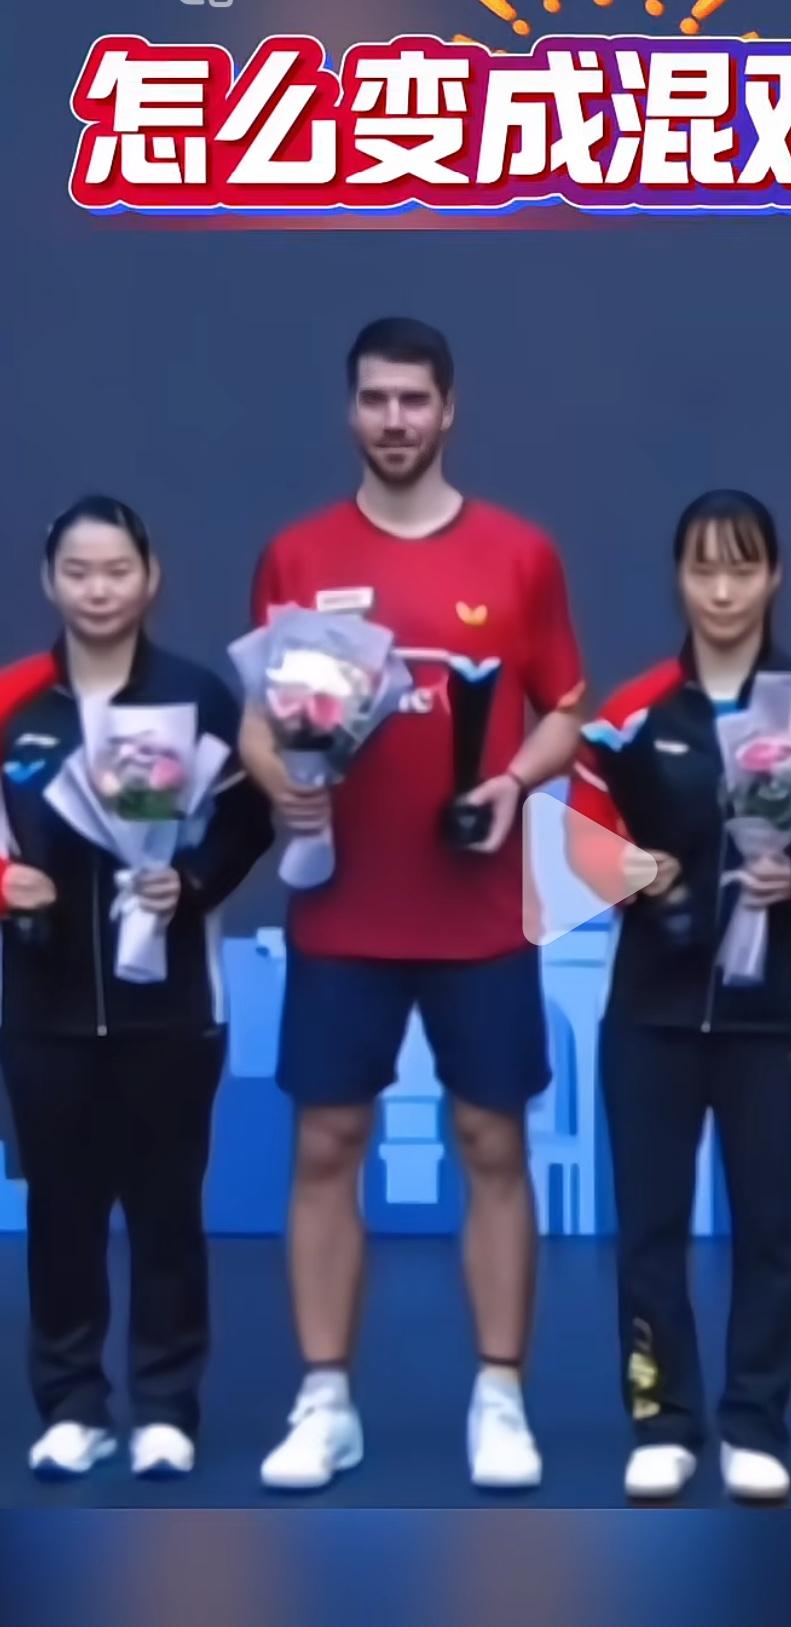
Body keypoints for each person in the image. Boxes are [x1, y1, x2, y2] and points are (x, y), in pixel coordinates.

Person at [244, 317, 586, 1493]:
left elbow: (566, 708)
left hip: (476, 909)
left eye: (415, 400)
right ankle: (325, 1399)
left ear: (449, 410)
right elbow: (261, 714)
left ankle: (501, 1396)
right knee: (325, 1143)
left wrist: (513, 782)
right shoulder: (296, 554)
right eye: (376, 399)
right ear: (352, 410)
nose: (395, 420)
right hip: (344, 906)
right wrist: (281, 779)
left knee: (493, 1141)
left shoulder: (520, 554)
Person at [569, 490, 791, 1502]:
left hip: (774, 1012)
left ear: (774, 575)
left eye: (742, 568)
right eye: (704, 569)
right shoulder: (632, 713)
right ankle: (662, 1418)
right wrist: (635, 873)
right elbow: (580, 848)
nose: (723, 590)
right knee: (649, 1229)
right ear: (679, 578)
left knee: (770, 1229)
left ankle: (754, 1420)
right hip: (649, 1014)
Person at [0, 496, 273, 1480]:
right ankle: (72, 1402)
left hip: (173, 1007)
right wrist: (5, 883)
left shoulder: (197, 698)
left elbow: (250, 818)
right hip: (44, 1008)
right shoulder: (15, 705)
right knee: (62, 1213)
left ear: (150, 577)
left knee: (167, 1210)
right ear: (49, 582)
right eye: (78, 571)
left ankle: (165, 1404)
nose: (98, 589)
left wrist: (189, 882)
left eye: (117, 570)